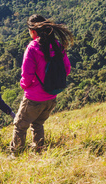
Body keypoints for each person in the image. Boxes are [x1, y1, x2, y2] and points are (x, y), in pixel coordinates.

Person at [10, 14, 73, 154]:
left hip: (34, 97)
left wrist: (24, 86)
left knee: (20, 125)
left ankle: (16, 155)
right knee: (38, 124)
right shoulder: (57, 45)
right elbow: (66, 69)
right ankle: (38, 151)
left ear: (33, 31)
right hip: (51, 97)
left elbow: (27, 76)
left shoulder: (32, 48)